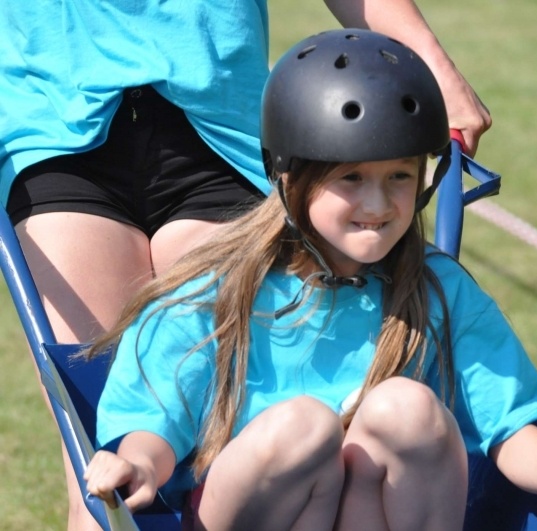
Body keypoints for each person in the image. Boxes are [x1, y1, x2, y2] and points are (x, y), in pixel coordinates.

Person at [82, 29, 537, 530]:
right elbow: (156, 418)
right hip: (251, 510)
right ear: (288, 176)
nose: (378, 204)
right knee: (304, 426)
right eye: (351, 177)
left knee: (408, 408)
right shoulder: (218, 290)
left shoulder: (438, 291)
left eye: (399, 176)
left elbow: (509, 425)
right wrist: (137, 463)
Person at [1, 2, 490, 528]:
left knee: (273, 423)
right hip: (51, 117)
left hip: (219, 116)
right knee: (103, 459)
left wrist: (434, 66)